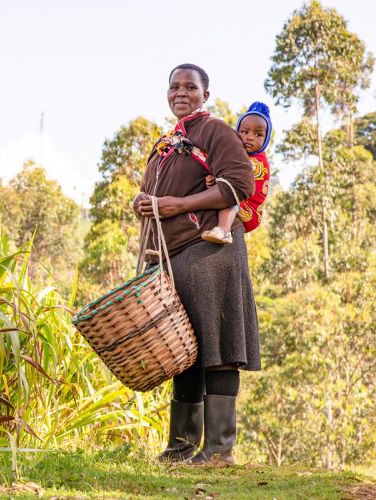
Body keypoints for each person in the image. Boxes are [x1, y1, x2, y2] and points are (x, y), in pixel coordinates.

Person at [133, 63, 261, 466]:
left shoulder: (215, 131)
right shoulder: (168, 143)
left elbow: (241, 184)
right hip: (176, 258)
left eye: (190, 86)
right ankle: (180, 447)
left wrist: (180, 205)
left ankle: (219, 450)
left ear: (206, 94)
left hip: (212, 252)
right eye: (174, 86)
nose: (180, 92)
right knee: (184, 350)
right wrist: (143, 202)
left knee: (218, 346)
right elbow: (156, 193)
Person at [202, 102, 272, 244]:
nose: (250, 137)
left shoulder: (257, 162)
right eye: (245, 132)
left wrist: (218, 181)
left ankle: (224, 230)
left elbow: (236, 179)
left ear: (266, 140)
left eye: (258, 134)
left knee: (230, 192)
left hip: (249, 209)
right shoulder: (238, 155)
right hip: (243, 199)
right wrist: (213, 179)